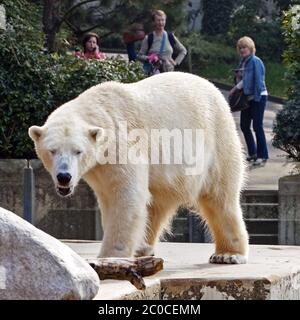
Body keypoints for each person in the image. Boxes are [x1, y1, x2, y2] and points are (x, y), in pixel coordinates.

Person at [229, 36, 269, 166]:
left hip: (258, 97)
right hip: (248, 98)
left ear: (250, 48)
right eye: (240, 48)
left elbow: (258, 81)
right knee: (244, 126)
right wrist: (238, 78)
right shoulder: (243, 62)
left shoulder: (255, 61)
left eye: (244, 47)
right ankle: (253, 153)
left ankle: (263, 156)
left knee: (257, 126)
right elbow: (242, 80)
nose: (242, 50)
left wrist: (237, 88)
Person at [138, 10, 187, 75]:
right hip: (153, 73)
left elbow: (183, 51)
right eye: (158, 20)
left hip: (168, 72)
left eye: (163, 20)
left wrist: (176, 62)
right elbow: (140, 56)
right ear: (154, 22)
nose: (161, 23)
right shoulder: (149, 38)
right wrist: (150, 58)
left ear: (165, 21)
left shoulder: (170, 36)